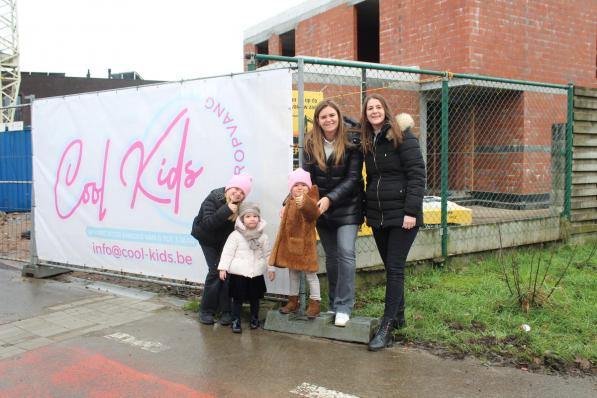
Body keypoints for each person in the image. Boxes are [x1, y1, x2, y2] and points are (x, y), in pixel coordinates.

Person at [359, 94, 425, 351]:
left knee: (395, 268)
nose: (374, 111)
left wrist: (411, 211)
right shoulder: (369, 141)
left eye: (378, 107)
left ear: (386, 110)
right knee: (391, 268)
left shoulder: (403, 135)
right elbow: (372, 179)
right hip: (378, 216)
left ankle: (386, 326)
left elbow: (417, 175)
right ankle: (399, 319)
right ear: (365, 114)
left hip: (403, 216)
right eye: (369, 108)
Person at [303, 99, 363, 327]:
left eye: (332, 116)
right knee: (332, 257)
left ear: (338, 117)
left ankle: (345, 306)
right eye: (323, 116)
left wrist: (330, 198)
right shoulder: (310, 143)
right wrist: (289, 202)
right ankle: (334, 304)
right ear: (318, 120)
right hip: (322, 210)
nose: (328, 120)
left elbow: (353, 179)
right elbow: (306, 178)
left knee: (346, 252)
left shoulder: (352, 142)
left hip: (348, 207)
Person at [190, 173, 253, 326]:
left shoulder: (239, 206)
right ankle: (206, 310)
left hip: (224, 242)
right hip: (207, 239)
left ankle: (226, 311)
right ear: (229, 187)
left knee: (226, 272)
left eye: (242, 192)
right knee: (215, 271)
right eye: (236, 189)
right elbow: (208, 224)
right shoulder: (214, 198)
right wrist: (226, 209)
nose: (238, 193)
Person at [269, 168, 322, 319]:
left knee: (311, 274)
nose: (300, 187)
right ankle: (293, 301)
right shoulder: (289, 201)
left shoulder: (310, 199)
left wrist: (303, 202)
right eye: (296, 185)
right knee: (293, 274)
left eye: (303, 185)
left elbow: (312, 213)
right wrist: (285, 208)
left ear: (309, 187)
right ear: (290, 188)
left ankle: (315, 303)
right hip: (291, 245)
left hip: (305, 246)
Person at [218, 202, 274, 333]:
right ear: (242, 219)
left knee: (255, 298)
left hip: (256, 273)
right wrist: (223, 268)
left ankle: (254, 318)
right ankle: (235, 320)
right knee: (237, 298)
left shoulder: (263, 236)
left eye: (255, 216)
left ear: (259, 219)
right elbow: (227, 252)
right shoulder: (235, 235)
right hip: (239, 274)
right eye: (248, 216)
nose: (252, 218)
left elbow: (268, 254)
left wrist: (271, 269)